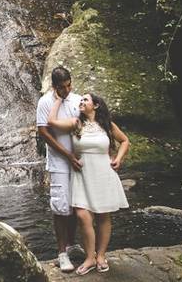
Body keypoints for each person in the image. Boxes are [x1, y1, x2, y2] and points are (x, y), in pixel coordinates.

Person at [47, 92, 130, 275]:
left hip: (103, 173)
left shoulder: (107, 124)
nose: (81, 102)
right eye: (81, 99)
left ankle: (100, 256)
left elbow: (124, 141)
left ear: (96, 105)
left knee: (103, 216)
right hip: (82, 174)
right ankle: (90, 257)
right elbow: (51, 122)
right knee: (83, 216)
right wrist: (59, 99)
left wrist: (118, 158)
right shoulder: (75, 123)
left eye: (85, 99)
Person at [36, 66, 83, 273]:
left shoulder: (77, 99)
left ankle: (73, 244)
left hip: (79, 160)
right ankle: (62, 252)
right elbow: (44, 132)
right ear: (54, 87)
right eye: (62, 87)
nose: (67, 90)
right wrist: (67, 155)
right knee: (60, 205)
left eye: (69, 85)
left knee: (75, 203)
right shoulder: (45, 102)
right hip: (59, 161)